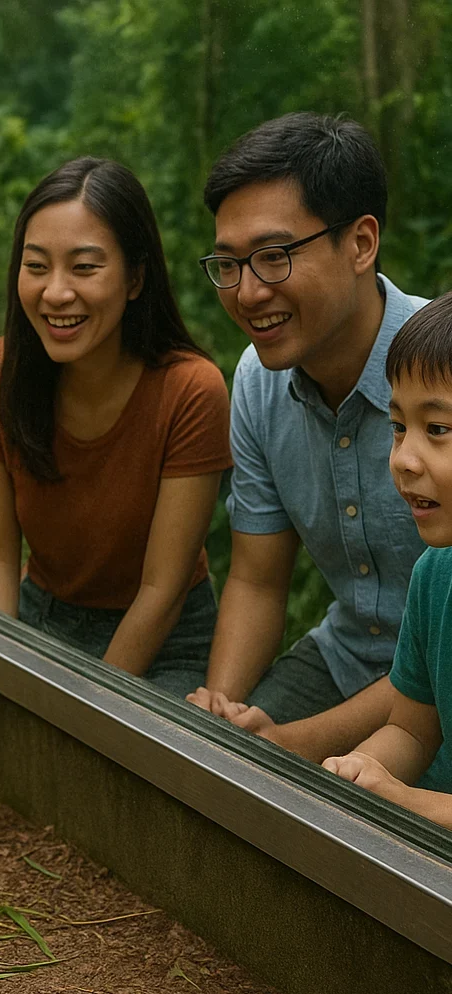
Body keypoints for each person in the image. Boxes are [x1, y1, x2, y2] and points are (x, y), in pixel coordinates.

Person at [186, 113, 429, 762]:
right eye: (229, 264)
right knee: (213, 768)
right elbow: (258, 581)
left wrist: (287, 744)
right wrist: (222, 706)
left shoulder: (443, 378)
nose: (247, 291)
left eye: (273, 257)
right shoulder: (258, 382)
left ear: (360, 243)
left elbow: (441, 654)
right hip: (344, 659)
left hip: (443, 678)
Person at [0, 156, 232, 696]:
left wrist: (90, 703)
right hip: (42, 616)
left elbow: (163, 589)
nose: (56, 293)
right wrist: (2, 663)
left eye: (84, 268)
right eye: (36, 267)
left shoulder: (191, 390)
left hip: (166, 638)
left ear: (135, 278)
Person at [323, 293, 452, 822]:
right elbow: (411, 730)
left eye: (438, 429)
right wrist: (358, 772)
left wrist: (403, 801)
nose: (402, 459)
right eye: (399, 426)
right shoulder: (434, 577)